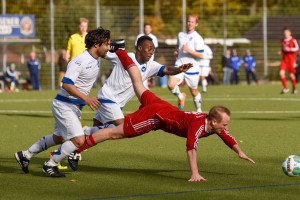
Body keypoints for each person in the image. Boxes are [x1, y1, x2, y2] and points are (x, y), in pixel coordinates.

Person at [69, 49, 255, 181]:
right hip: (156, 115)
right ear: (213, 122)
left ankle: (121, 51)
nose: (226, 127)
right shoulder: (199, 126)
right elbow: (191, 149)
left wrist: (240, 152)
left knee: (138, 83)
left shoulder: (213, 124)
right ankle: (74, 149)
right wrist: (195, 173)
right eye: (224, 124)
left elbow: (226, 136)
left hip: (160, 104)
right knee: (114, 133)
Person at [14, 27, 111, 177]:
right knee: (78, 140)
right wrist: (86, 98)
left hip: (73, 107)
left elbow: (114, 52)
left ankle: (25, 155)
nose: (108, 47)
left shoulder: (96, 59)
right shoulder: (80, 61)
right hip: (64, 105)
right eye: (106, 43)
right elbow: (66, 83)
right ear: (97, 44)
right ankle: (50, 164)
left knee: (59, 138)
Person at [77, 36, 193, 146]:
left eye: (153, 49)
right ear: (140, 48)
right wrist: (107, 45)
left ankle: (74, 145)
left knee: (97, 132)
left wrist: (179, 70)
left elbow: (167, 69)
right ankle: (83, 135)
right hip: (108, 97)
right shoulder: (126, 56)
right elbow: (103, 53)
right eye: (149, 48)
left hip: (117, 104)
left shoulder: (150, 66)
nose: (152, 52)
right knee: (123, 127)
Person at [168, 15, 205, 112]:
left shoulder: (198, 38)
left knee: (193, 91)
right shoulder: (180, 34)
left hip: (191, 68)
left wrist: (188, 50)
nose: (190, 23)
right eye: (188, 21)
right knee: (171, 84)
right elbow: (178, 47)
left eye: (192, 22)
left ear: (196, 24)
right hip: (179, 65)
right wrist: (176, 52)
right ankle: (181, 96)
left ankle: (199, 110)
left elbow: (201, 55)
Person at [278, 27, 299, 94]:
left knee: (291, 75)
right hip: (284, 59)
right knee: (281, 73)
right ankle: (285, 88)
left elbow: (297, 48)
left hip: (291, 59)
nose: (285, 33)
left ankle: (294, 89)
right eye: (284, 32)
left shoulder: (293, 40)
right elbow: (283, 48)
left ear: (290, 33)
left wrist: (290, 49)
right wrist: (281, 51)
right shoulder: (283, 40)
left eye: (287, 32)